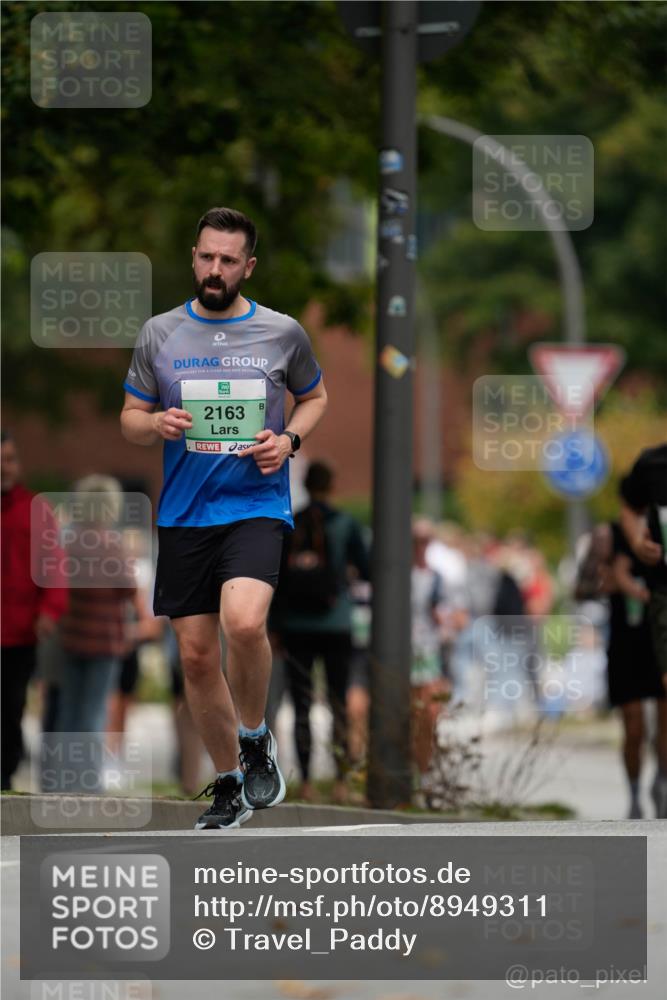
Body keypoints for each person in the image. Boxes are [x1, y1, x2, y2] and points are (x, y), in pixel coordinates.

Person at [120, 206, 327, 828]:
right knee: (195, 657)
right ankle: (230, 781)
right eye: (207, 256)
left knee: (243, 623)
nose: (215, 269)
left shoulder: (281, 332)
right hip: (185, 514)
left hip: (255, 505)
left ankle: (256, 735)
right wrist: (155, 422)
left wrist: (287, 441)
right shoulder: (159, 334)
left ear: (248, 266)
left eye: (228, 260)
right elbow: (129, 419)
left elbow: (314, 396)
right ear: (193, 257)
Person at [274, 459, 369, 803]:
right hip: (336, 624)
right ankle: (342, 782)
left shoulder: (291, 524)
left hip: (296, 626)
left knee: (300, 704)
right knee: (338, 701)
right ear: (331, 486)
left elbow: (279, 580)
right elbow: (369, 568)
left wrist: (275, 626)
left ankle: (307, 783)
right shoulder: (345, 524)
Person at [575, 520, 666, 818]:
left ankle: (661, 783)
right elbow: (581, 588)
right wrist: (607, 578)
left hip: (659, 642)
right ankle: (635, 793)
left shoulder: (660, 532)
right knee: (634, 725)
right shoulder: (611, 534)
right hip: (626, 645)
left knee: (665, 727)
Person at [1, 430, 68, 789]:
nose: (4, 468)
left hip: (19, 633)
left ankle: (4, 775)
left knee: (10, 707)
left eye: (9, 460)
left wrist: (50, 611)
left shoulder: (35, 509)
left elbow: (54, 566)